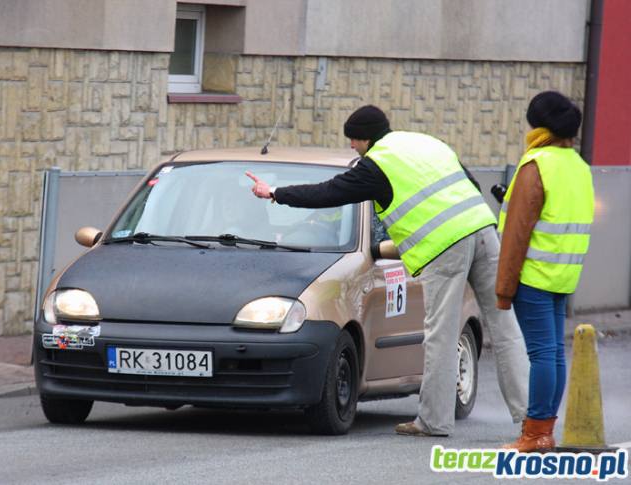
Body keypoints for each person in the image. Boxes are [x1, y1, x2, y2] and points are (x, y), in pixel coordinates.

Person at [246, 105, 529, 437]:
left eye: (353, 140)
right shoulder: (427, 143)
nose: (352, 146)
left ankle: (434, 421)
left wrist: (276, 194)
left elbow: (330, 192)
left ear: (365, 138)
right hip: (483, 230)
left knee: (441, 334)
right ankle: (530, 416)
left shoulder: (376, 165)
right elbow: (468, 183)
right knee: (505, 326)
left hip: (446, 247)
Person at [497, 91, 594, 452]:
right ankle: (543, 429)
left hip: (533, 275)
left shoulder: (536, 165)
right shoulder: (578, 166)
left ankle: (535, 433)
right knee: (553, 352)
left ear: (538, 127)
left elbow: (517, 234)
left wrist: (504, 289)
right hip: (563, 274)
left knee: (540, 354)